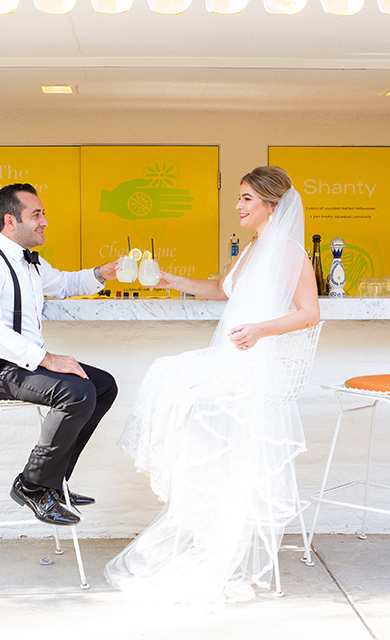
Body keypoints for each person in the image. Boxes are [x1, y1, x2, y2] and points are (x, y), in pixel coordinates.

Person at [104, 166, 320, 608]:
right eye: (239, 198)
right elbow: (222, 289)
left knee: (189, 397)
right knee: (169, 377)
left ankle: (219, 531)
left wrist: (260, 330)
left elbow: (309, 312)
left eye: (246, 199)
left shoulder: (291, 253)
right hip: (230, 357)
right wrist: (169, 281)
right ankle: (201, 519)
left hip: (254, 365)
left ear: (271, 206)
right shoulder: (253, 250)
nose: (238, 206)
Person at [0, 183, 119, 527]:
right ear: (10, 221)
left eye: (43, 213)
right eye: (37, 214)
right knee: (75, 392)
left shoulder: (31, 263)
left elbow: (64, 284)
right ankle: (32, 484)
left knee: (102, 385)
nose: (45, 221)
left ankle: (53, 482)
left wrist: (104, 273)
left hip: (14, 362)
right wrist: (47, 359)